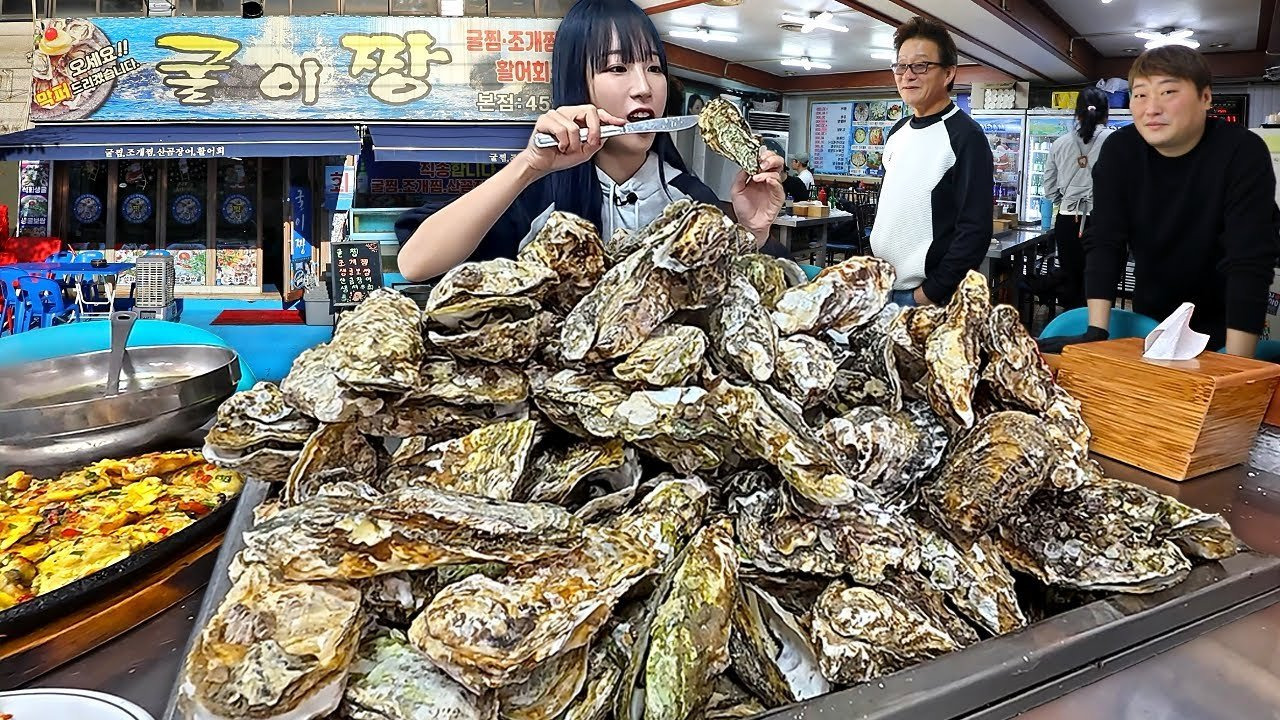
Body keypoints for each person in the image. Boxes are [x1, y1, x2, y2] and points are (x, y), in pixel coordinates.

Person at [395, 0, 784, 282]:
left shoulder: (690, 199)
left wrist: (754, 231)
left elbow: (731, 293)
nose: (644, 87)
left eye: (654, 67)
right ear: (577, 83)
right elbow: (416, 264)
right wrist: (527, 166)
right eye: (617, 67)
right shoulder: (533, 193)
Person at [1037, 46, 1279, 357]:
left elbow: (1248, 261)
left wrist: (1235, 365)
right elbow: (1106, 239)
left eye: (1168, 92)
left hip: (1228, 317)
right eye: (1140, 95)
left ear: (1206, 97)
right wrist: (1096, 331)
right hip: (1152, 314)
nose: (1151, 108)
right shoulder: (1121, 150)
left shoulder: (1242, 151)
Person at [870, 16, 993, 307]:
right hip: (881, 288)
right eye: (901, 65)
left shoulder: (966, 136)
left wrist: (930, 293)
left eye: (921, 65)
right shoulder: (897, 131)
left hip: (925, 298)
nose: (907, 75)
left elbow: (975, 231)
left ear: (948, 73)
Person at [1039, 86, 1114, 310]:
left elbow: (1049, 188)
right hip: (1102, 221)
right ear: (1105, 113)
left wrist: (1065, 200)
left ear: (1077, 112)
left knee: (1071, 281)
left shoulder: (1060, 143)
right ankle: (1097, 325)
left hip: (1067, 220)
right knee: (1100, 281)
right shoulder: (1115, 140)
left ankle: (1071, 324)